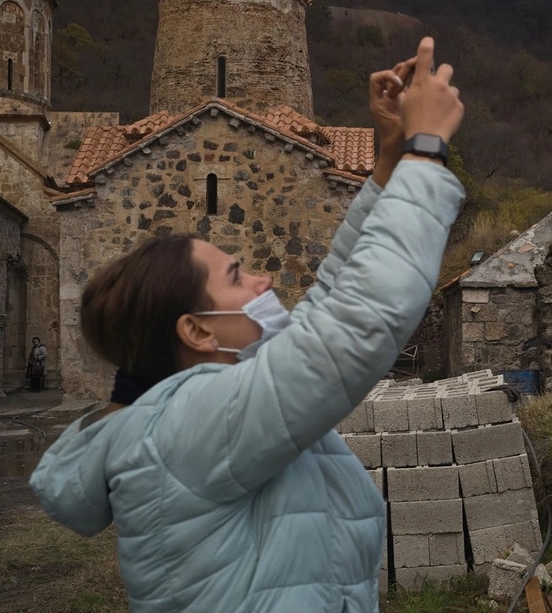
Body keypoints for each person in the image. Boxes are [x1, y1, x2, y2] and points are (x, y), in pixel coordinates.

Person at [30, 37, 465, 612]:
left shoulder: (193, 407)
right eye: (236, 278)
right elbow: (354, 325)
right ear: (197, 331)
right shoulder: (189, 424)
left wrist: (388, 159)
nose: (263, 283)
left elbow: (333, 292)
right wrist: (427, 152)